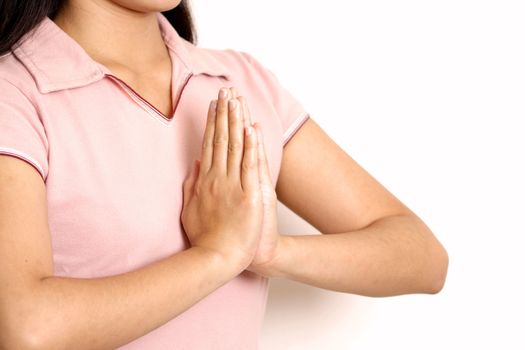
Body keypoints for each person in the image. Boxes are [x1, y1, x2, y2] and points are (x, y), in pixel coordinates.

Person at [0, 0, 449, 349]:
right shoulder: (15, 93)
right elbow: (28, 328)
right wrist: (216, 257)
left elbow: (424, 259)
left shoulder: (238, 81)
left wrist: (269, 252)